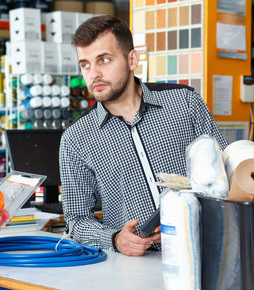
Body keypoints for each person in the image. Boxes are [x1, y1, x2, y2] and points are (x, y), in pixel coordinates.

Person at [59, 15, 227, 257]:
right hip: (136, 267)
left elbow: (225, 171)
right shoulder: (76, 139)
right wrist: (115, 239)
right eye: (85, 64)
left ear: (132, 59)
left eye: (104, 60)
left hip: (208, 249)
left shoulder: (185, 103)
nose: (93, 74)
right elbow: (76, 221)